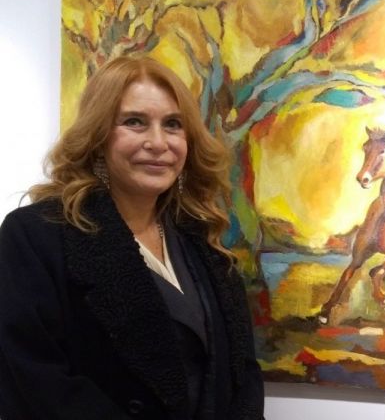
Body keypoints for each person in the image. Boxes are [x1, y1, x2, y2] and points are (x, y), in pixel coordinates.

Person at [0, 56, 264, 419]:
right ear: (97, 137)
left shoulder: (203, 240)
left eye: (173, 125)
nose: (158, 142)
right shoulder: (35, 236)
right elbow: (35, 381)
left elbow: (242, 373)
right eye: (134, 122)